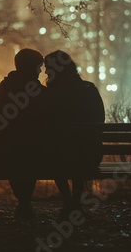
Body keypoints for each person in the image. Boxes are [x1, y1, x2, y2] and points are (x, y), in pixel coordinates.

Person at [0, 48, 47, 218]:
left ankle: (24, 201)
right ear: (32, 68)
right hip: (36, 157)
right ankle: (25, 201)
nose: (41, 71)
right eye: (38, 67)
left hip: (3, 157)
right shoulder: (41, 94)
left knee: (17, 153)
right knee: (29, 153)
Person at [44, 50, 105, 214]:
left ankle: (68, 200)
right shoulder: (89, 89)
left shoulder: (50, 95)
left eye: (47, 67)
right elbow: (100, 119)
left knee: (58, 152)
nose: (44, 72)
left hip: (59, 156)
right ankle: (76, 201)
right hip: (90, 155)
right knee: (78, 149)